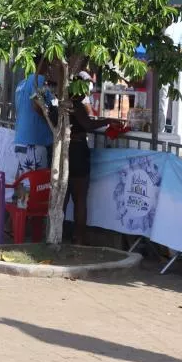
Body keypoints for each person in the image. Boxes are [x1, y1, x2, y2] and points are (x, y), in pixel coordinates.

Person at [67, 82, 116, 245]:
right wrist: (107, 120)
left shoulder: (60, 104)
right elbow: (88, 125)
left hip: (63, 151)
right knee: (80, 199)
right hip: (77, 153)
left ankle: (58, 236)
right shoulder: (76, 106)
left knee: (64, 198)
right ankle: (79, 237)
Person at [13, 62, 54, 179]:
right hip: (35, 143)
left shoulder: (21, 83)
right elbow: (37, 105)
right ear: (44, 64)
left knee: (24, 187)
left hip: (20, 141)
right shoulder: (40, 81)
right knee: (36, 189)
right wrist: (52, 119)